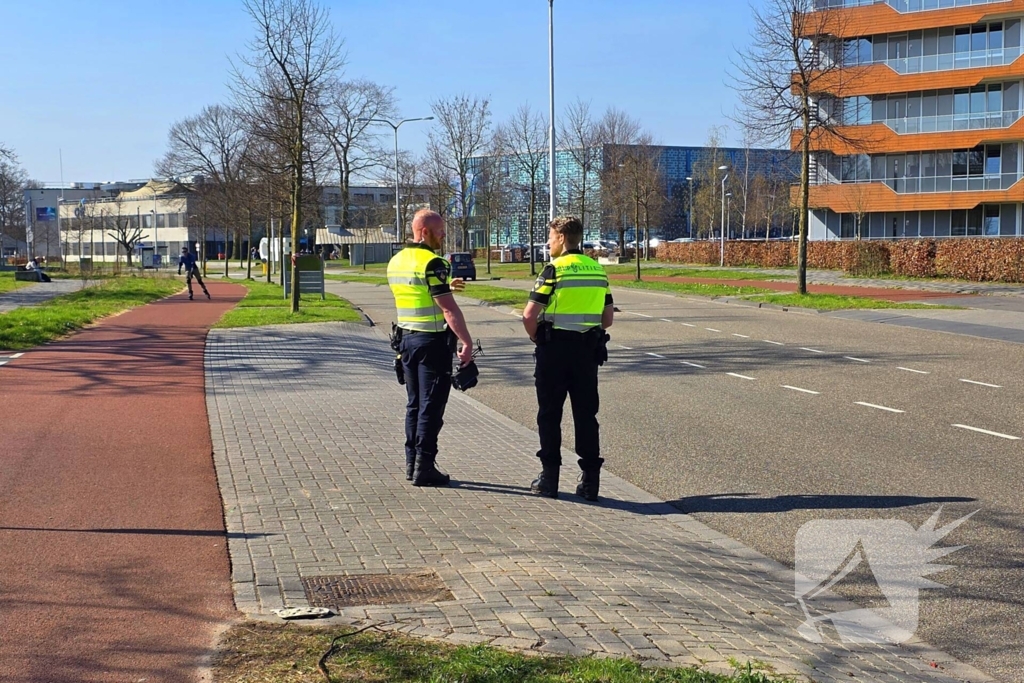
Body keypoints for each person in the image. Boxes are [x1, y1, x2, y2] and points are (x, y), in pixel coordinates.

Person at [522, 216, 614, 501]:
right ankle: (590, 484)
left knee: (549, 415)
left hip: (554, 350)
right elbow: (607, 319)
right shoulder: (597, 270)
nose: (548, 243)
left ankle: (549, 480)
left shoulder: (553, 269)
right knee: (586, 415)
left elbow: (529, 315)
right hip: (587, 352)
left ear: (561, 237)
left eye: (550, 237)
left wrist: (537, 337)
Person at [388, 209, 474, 487]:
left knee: (414, 404)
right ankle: (425, 466)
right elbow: (448, 309)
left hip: (406, 341)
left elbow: (417, 291)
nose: (443, 235)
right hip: (432, 343)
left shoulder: (397, 260)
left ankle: (411, 463)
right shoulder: (433, 262)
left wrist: (445, 285)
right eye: (439, 231)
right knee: (431, 407)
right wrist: (466, 341)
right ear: (424, 232)